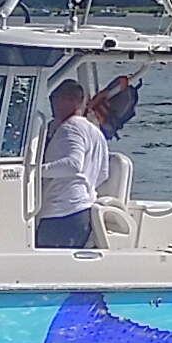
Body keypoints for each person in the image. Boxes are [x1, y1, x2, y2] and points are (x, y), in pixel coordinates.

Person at [33, 78, 108, 248]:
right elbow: (103, 173)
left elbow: (72, 165)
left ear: (69, 100)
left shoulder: (69, 128)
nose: (51, 105)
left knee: (47, 262)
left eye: (54, 99)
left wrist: (34, 171)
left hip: (61, 212)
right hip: (82, 212)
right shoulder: (95, 131)